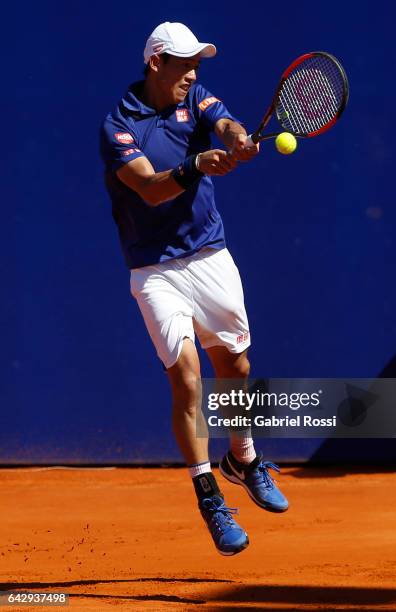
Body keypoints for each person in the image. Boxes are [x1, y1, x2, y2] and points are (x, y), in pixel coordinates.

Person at [100, 21, 288, 556]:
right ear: (157, 62)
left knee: (237, 368)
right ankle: (209, 494)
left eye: (197, 63)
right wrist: (196, 163)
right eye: (185, 63)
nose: (193, 73)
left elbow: (224, 124)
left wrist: (236, 141)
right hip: (155, 270)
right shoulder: (118, 124)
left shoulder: (197, 95)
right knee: (187, 377)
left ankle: (243, 460)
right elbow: (149, 189)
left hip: (210, 254)